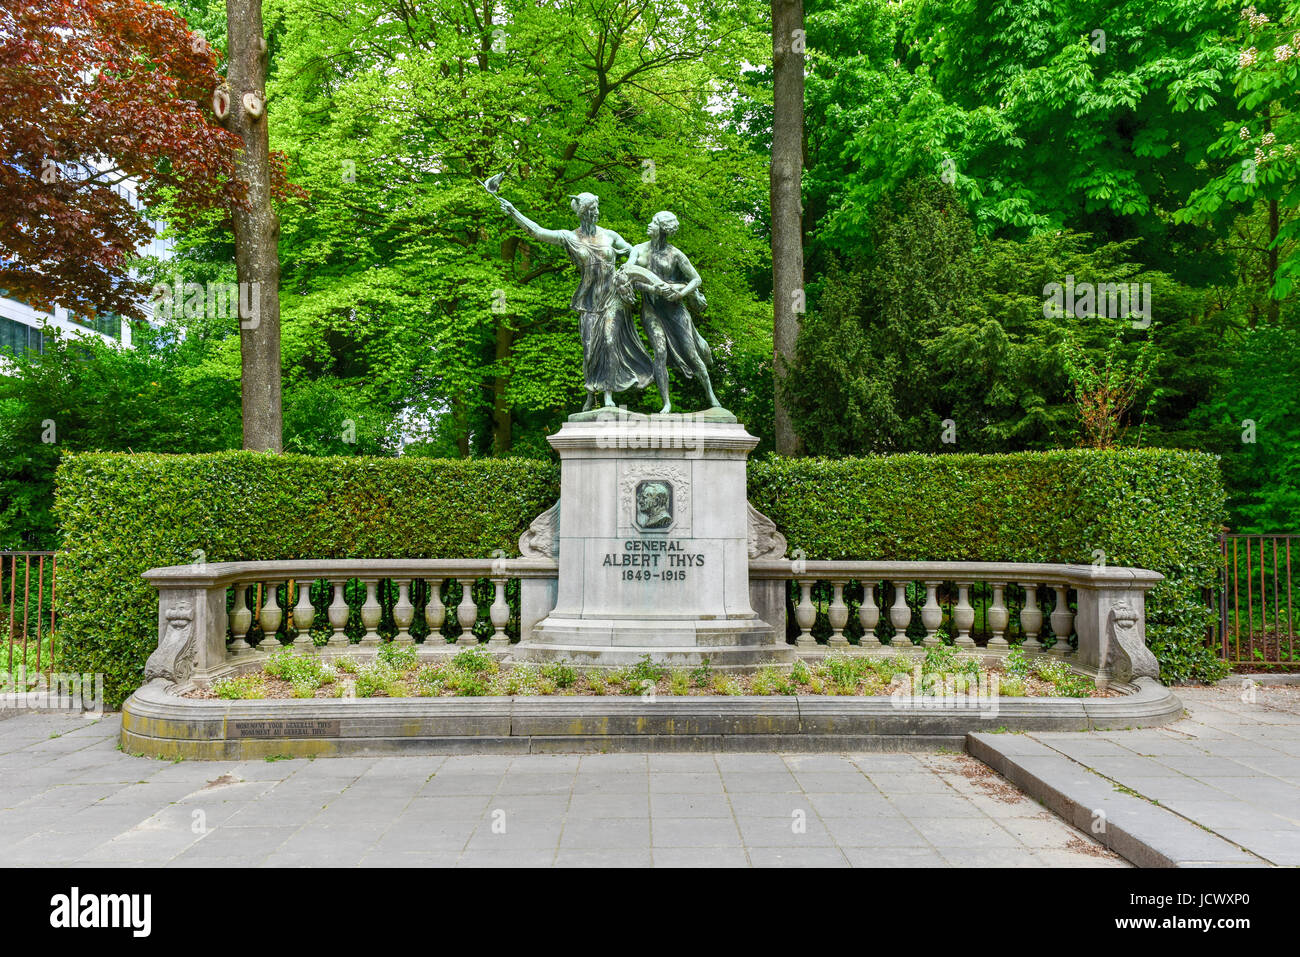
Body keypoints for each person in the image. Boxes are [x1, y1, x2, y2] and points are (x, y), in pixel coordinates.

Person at [496, 191, 651, 410]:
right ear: (581, 213)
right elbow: (538, 232)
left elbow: (632, 250)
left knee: (609, 342)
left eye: (596, 209)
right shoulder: (570, 237)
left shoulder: (610, 236)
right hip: (589, 301)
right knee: (589, 348)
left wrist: (627, 267)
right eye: (591, 210)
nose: (595, 213)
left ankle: (608, 395)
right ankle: (591, 392)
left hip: (612, 297)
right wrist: (513, 212)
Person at [622, 211, 720, 414]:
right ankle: (666, 402)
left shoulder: (675, 254)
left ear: (663, 230)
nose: (649, 225)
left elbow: (696, 279)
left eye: (653, 223)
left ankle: (711, 395)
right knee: (660, 351)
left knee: (692, 353)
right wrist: (652, 289)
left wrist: (680, 293)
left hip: (675, 309)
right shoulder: (638, 250)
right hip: (651, 309)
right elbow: (627, 276)